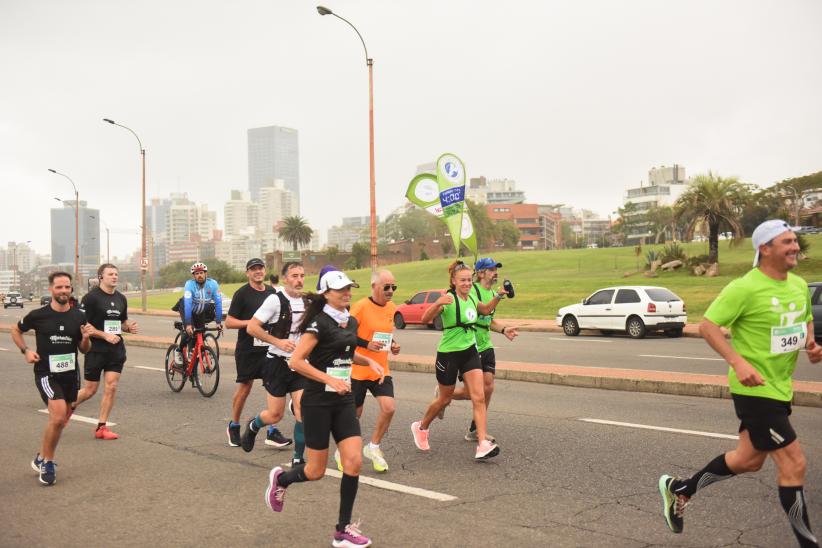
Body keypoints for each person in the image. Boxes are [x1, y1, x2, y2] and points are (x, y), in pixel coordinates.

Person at [658, 220, 822, 547]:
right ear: (765, 249)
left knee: (747, 460)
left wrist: (812, 345)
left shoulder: (798, 285)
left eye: (795, 241)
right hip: (753, 390)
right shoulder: (744, 288)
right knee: (795, 463)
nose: (795, 247)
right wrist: (738, 361)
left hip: (779, 388)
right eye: (787, 242)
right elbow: (708, 326)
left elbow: (804, 321)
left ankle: (680, 489)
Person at [265, 266, 383, 548]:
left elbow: (345, 352)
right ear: (326, 293)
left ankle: (342, 531)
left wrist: (369, 361)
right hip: (317, 403)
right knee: (315, 471)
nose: (347, 293)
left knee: (353, 462)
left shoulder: (349, 322)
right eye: (341, 289)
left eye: (349, 288)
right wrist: (328, 378)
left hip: (343, 401)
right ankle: (282, 478)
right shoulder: (317, 323)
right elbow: (296, 362)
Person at [411, 260, 508, 461]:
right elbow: (424, 319)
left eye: (468, 280)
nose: (466, 283)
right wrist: (436, 303)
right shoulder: (448, 299)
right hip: (448, 354)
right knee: (444, 398)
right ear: (454, 281)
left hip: (470, 352)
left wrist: (498, 296)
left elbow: (485, 310)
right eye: (462, 280)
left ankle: (482, 444)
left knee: (479, 396)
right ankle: (421, 427)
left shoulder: (471, 299)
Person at [11, 271, 91, 485]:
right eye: (59, 287)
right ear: (51, 289)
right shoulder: (38, 315)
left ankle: (41, 457)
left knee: (60, 422)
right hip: (46, 373)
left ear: (71, 289)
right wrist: (26, 351)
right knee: (57, 417)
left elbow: (84, 349)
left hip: (70, 375)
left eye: (67, 287)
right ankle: (48, 462)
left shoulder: (79, 316)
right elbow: (15, 331)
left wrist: (85, 339)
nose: (63, 291)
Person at [445, 258, 517, 441]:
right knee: (474, 393)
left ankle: (475, 429)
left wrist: (503, 329)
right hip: (471, 344)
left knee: (489, 387)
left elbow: (488, 320)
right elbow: (481, 311)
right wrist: (498, 297)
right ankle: (445, 394)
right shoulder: (473, 291)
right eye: (491, 269)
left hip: (487, 344)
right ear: (481, 273)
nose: (495, 272)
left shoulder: (492, 292)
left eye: (496, 269)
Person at [244, 262, 308, 465]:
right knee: (275, 415)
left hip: (299, 364)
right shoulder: (275, 300)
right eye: (294, 275)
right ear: (285, 279)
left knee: (302, 410)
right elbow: (252, 328)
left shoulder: (308, 302)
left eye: (302, 275)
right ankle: (254, 426)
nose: (299, 280)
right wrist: (277, 341)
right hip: (276, 364)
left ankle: (298, 458)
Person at [224, 258, 290, 448]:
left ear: (265, 270)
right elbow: (229, 322)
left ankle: (271, 431)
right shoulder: (242, 294)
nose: (258, 272)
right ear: (248, 273)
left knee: (273, 387)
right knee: (245, 387)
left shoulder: (272, 292)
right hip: (248, 349)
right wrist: (253, 323)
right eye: (253, 269)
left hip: (269, 348)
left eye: (260, 268)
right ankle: (234, 426)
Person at [342, 269, 401, 473]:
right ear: (374, 286)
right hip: (358, 369)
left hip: (381, 369)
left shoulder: (392, 308)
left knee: (389, 407)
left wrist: (393, 344)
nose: (391, 290)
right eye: (387, 287)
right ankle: (343, 451)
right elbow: (346, 336)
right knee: (354, 416)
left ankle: (373, 447)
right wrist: (368, 344)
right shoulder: (360, 307)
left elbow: (384, 334)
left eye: (394, 287)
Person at [74, 264, 138, 440]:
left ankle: (101, 427)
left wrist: (128, 327)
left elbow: (122, 321)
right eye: (110, 274)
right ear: (101, 277)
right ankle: (68, 406)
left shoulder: (121, 298)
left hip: (116, 349)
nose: (115, 277)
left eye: (116, 274)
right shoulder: (91, 298)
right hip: (95, 350)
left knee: (112, 386)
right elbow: (84, 326)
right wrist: (104, 335)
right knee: (90, 390)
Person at [178, 262, 223, 361]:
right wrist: (188, 324)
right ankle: (179, 350)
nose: (199, 275)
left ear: (206, 274)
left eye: (201, 273)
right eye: (197, 274)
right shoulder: (189, 284)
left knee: (200, 334)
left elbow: (218, 303)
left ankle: (192, 356)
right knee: (189, 332)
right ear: (194, 276)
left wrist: (218, 322)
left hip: (200, 311)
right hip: (187, 308)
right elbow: (188, 305)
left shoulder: (213, 284)